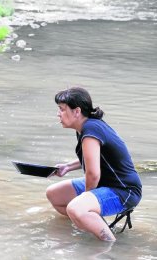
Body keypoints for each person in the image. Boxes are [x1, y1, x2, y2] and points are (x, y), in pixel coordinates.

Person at [46, 87, 142, 241]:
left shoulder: (91, 129)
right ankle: (94, 228)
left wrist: (86, 199)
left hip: (124, 190)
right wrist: (67, 167)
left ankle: (110, 246)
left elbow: (93, 173)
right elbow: (94, 158)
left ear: (76, 111)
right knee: (54, 194)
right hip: (107, 183)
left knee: (76, 207)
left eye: (62, 109)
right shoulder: (86, 127)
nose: (58, 113)